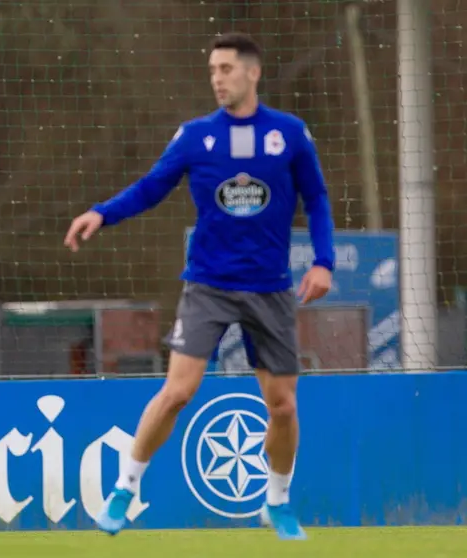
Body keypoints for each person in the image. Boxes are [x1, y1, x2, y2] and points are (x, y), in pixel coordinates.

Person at [63, 32, 334, 541]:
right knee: (177, 392)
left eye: (226, 69)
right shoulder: (195, 136)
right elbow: (150, 188)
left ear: (253, 73)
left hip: (270, 289)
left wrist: (324, 262)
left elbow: (317, 199)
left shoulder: (289, 135)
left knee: (283, 406)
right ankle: (125, 488)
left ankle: (277, 501)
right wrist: (102, 213)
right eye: (212, 70)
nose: (217, 78)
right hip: (207, 285)